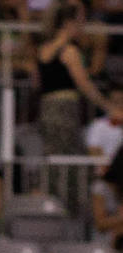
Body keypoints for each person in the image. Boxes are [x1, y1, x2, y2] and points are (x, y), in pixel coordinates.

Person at [37, 0, 117, 156]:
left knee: (54, 153)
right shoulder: (70, 50)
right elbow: (84, 84)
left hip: (46, 108)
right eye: (80, 22)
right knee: (67, 155)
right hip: (65, 110)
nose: (82, 27)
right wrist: (109, 107)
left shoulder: (43, 49)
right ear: (68, 23)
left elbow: (38, 82)